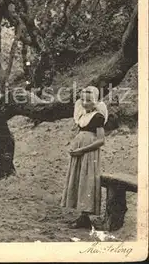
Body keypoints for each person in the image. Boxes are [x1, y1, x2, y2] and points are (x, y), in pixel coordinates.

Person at [61, 86, 108, 229]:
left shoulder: (98, 117)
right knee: (79, 178)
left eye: (89, 100)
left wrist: (82, 149)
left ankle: (85, 216)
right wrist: (73, 145)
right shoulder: (82, 116)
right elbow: (81, 133)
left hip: (89, 153)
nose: (85, 103)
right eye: (83, 99)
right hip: (79, 152)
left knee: (86, 179)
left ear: (95, 100)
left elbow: (100, 140)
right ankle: (82, 216)